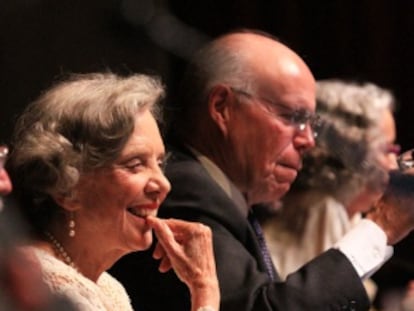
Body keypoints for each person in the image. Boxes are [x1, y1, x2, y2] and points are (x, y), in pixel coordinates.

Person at [110, 29, 414, 311]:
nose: (308, 140)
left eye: (312, 124)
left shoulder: (228, 197)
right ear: (222, 108)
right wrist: (383, 225)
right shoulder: (183, 191)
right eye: (293, 117)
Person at [6, 73, 220, 311]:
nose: (163, 184)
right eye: (135, 164)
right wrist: (204, 289)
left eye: (159, 164)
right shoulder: (44, 285)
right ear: (67, 188)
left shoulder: (108, 288)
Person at [260, 80, 399, 303]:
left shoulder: (348, 215)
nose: (394, 163)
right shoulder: (321, 210)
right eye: (387, 149)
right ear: (356, 153)